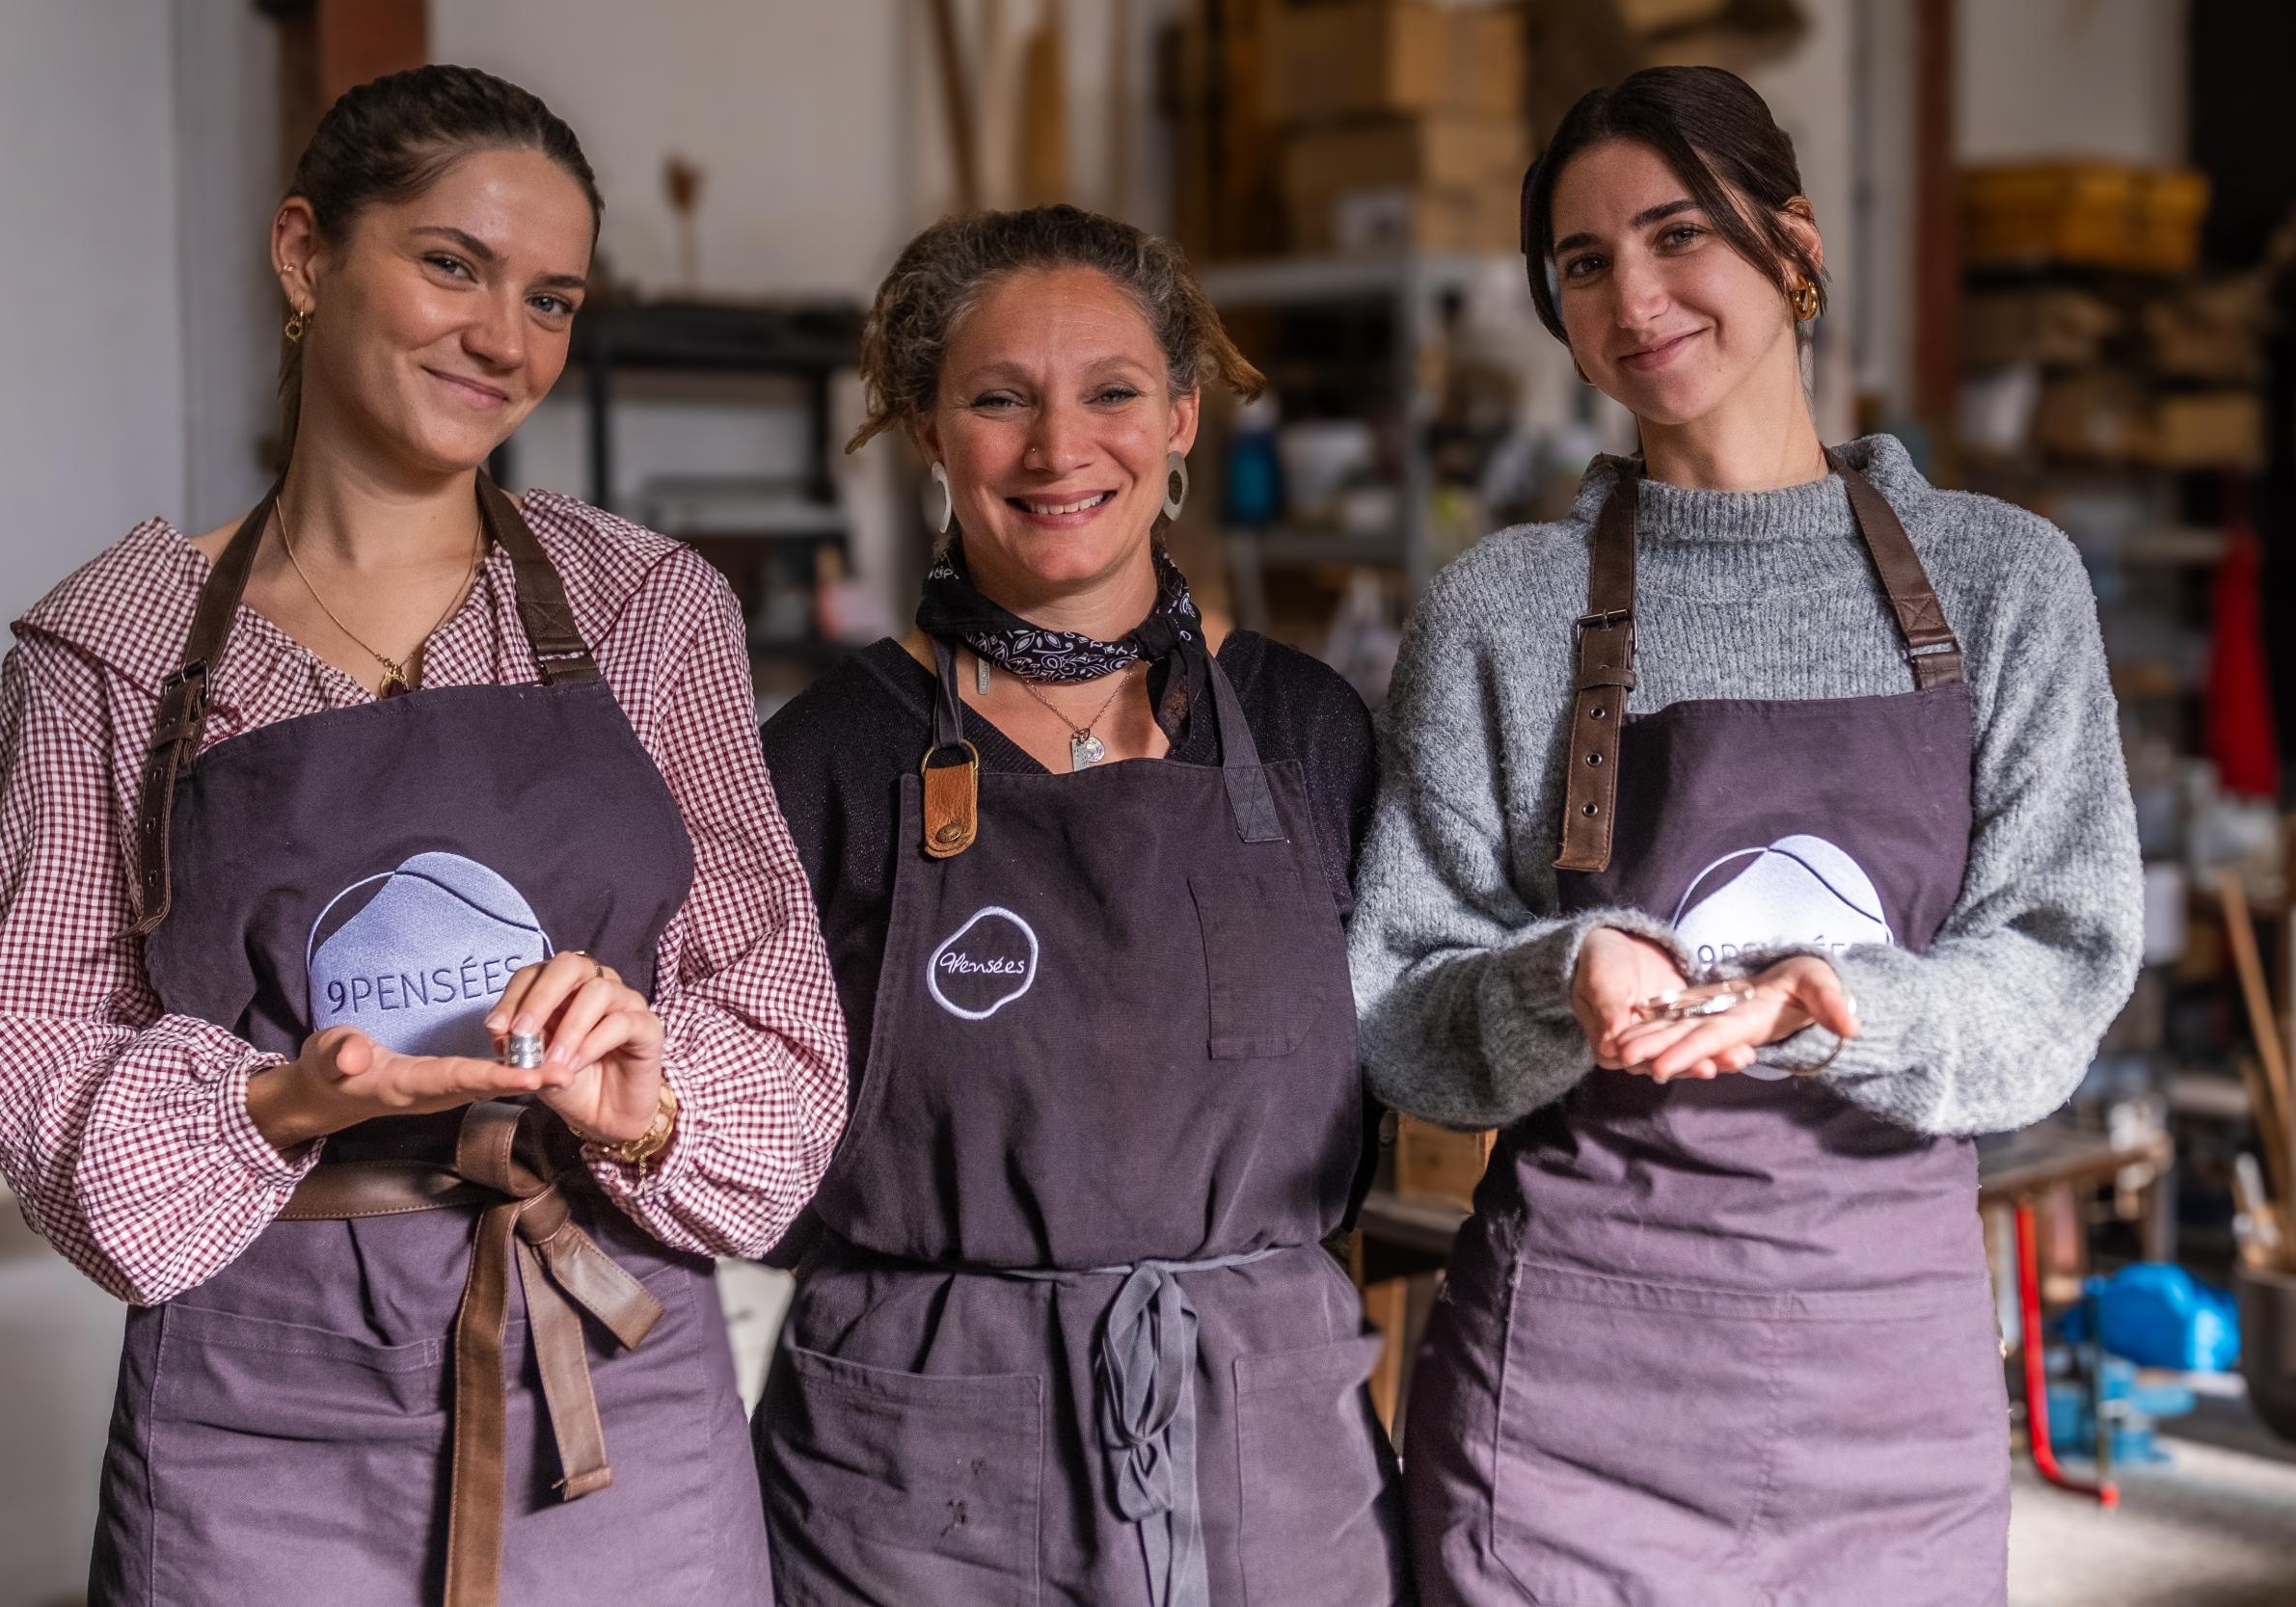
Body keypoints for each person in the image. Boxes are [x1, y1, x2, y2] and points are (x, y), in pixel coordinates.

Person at [0, 66, 847, 1606]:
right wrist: (271, 1098)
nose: (506, 340)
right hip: (258, 1407)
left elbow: (777, 1010)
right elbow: (41, 1042)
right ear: (305, 255)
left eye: (553, 298)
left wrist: (644, 1097)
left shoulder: (647, 612)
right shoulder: (108, 649)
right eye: (452, 264)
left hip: (610, 1397)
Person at [1348, 67, 2142, 1606]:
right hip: (1573, 1385)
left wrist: (1852, 1002)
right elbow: (1399, 1002)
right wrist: (1558, 976)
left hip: (1888, 1392)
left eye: (1673, 235)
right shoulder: (1503, 609)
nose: (1633, 296)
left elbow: (2061, 964)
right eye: (1583, 264)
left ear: (1791, 247)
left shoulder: (2003, 585)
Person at [753, 204, 1406, 1606]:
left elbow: (1410, 1064)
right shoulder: (823, 757)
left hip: (1269, 1444)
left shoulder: (1309, 731)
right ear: (928, 430)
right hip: (913, 1469)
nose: (1060, 450)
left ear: (1179, 419)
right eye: (999, 399)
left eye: (1111, 392)